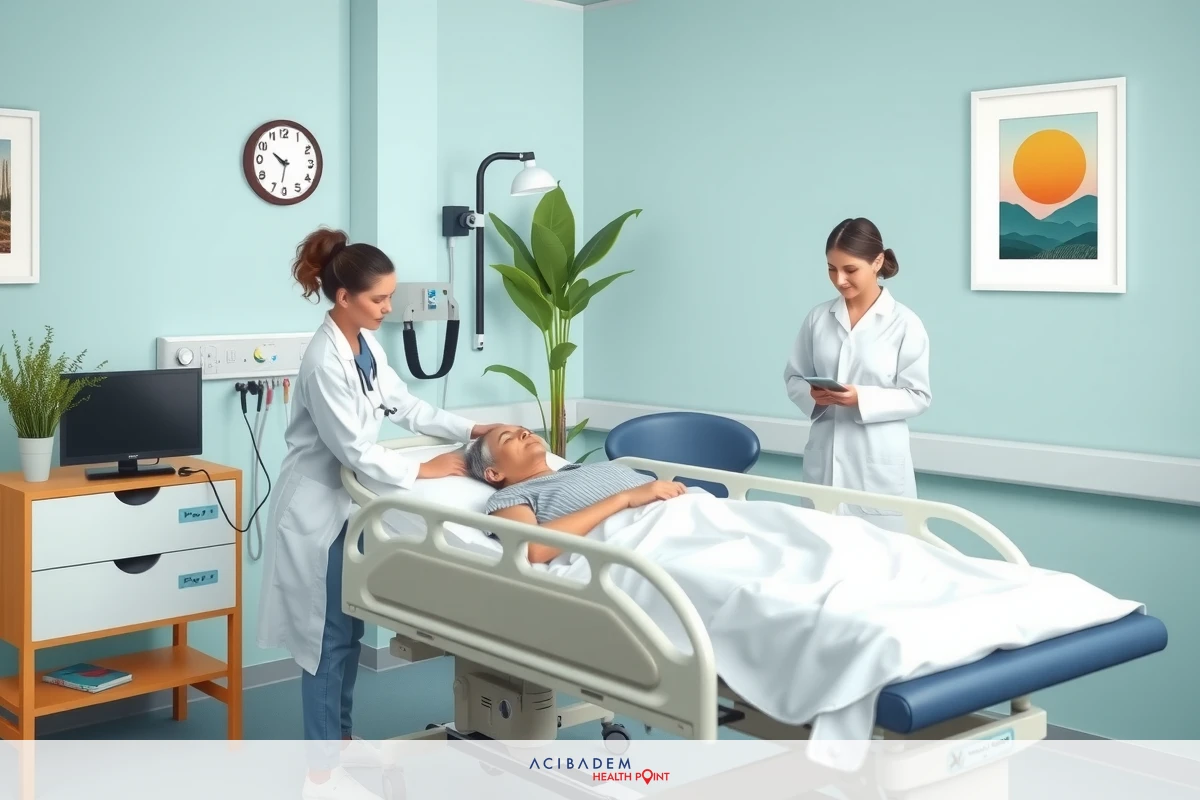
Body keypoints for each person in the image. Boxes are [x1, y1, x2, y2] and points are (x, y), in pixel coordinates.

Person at [256, 226, 500, 800]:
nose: (388, 309)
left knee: (350, 624)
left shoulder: (365, 344)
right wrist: (427, 470)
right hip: (317, 512)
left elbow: (405, 404)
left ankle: (340, 740)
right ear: (343, 297)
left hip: (352, 511)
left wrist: (470, 429)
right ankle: (320, 770)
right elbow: (356, 451)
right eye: (379, 300)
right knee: (326, 641)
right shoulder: (324, 361)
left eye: (389, 297)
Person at [782, 217, 931, 532]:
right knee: (820, 554)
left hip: (878, 468)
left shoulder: (904, 323)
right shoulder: (818, 318)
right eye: (831, 269)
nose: (839, 280)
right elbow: (794, 377)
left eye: (850, 270)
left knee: (882, 566)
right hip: (824, 461)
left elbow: (918, 396)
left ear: (877, 262)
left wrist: (860, 398)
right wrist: (812, 395)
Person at [463, 425, 688, 563]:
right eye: (508, 438)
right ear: (494, 473)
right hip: (654, 541)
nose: (524, 432)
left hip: (687, 514)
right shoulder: (512, 495)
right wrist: (625, 499)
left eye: (523, 430)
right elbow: (533, 548)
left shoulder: (588, 468)